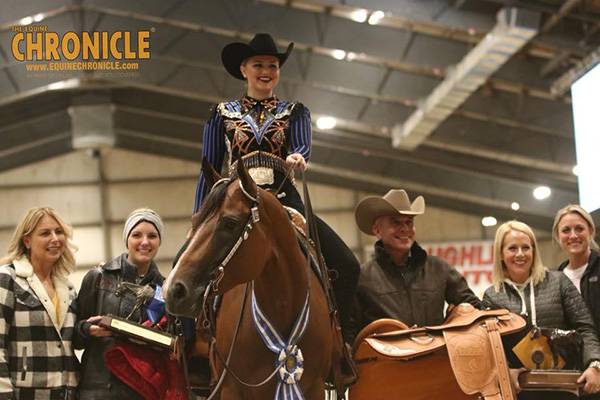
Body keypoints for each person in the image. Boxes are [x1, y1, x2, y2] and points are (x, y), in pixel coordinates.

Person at [193, 33, 360, 339]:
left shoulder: (294, 111)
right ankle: (196, 344)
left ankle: (342, 339)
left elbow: (300, 145)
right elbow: (208, 168)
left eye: (272, 65)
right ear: (244, 69)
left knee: (348, 265)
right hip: (237, 200)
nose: (266, 70)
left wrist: (299, 156)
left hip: (285, 200)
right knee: (186, 264)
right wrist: (199, 217)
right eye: (258, 64)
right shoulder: (221, 114)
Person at [482, 220, 600, 399]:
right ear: (500, 254)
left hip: (564, 387)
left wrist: (594, 364)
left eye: (526, 248)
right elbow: (490, 345)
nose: (520, 254)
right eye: (512, 248)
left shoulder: (559, 282)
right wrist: (506, 371)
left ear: (534, 251)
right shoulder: (492, 296)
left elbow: (584, 327)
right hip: (520, 391)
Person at [352, 189, 481, 338]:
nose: (405, 228)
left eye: (409, 222)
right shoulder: (362, 278)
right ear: (377, 231)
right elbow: (351, 329)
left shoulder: (440, 269)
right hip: (387, 360)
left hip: (436, 357)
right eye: (395, 222)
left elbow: (474, 306)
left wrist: (457, 315)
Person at [74, 208, 165, 399]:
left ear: (159, 241)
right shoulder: (98, 278)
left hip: (142, 393)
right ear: (127, 239)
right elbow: (72, 335)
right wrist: (87, 329)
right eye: (137, 235)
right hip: (98, 391)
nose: (145, 242)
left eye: (152, 236)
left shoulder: (164, 290)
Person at [0, 206, 79, 399]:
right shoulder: (7, 279)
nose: (55, 239)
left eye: (58, 232)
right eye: (45, 233)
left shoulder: (68, 289)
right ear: (26, 241)